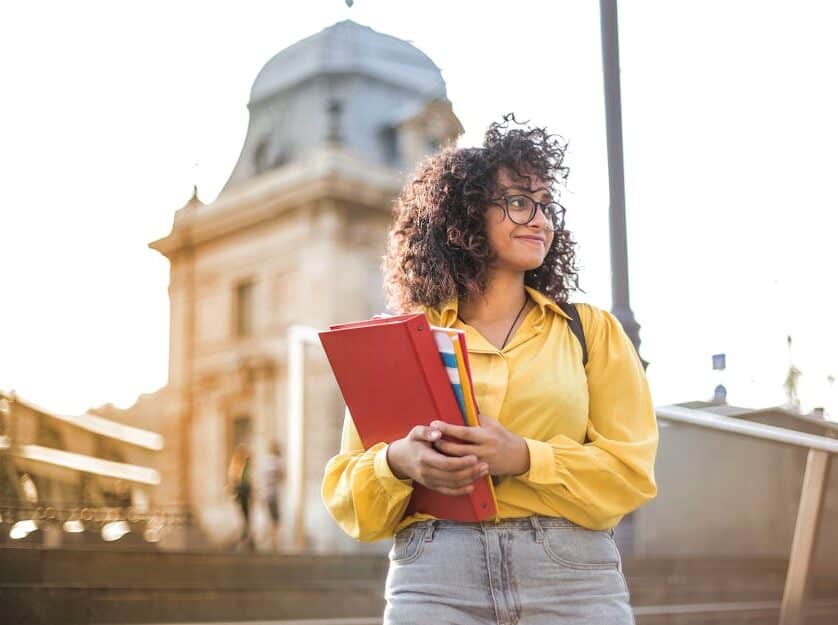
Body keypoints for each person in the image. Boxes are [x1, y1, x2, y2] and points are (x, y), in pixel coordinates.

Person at [321, 114, 658, 624]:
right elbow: (350, 497)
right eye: (520, 202)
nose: (541, 219)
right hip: (434, 577)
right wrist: (398, 462)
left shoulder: (590, 331)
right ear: (466, 214)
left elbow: (630, 474)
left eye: (547, 205)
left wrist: (524, 457)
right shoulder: (404, 340)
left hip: (570, 577)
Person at [227, 443, 253, 551]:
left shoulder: (239, 465)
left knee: (245, 516)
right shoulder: (242, 465)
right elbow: (240, 480)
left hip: (242, 493)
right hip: (243, 493)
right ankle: (244, 537)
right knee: (245, 516)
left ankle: (245, 537)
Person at [261, 440, 285, 552]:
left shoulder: (265, 461)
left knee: (271, 518)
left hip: (266, 494)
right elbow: (283, 476)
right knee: (276, 520)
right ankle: (273, 543)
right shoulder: (277, 461)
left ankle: (271, 541)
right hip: (273, 494)